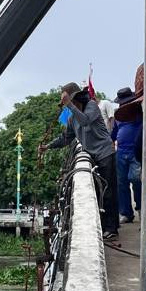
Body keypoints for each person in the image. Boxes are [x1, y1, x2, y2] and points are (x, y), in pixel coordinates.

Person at [45, 81, 119, 243]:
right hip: (93, 157)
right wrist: (47, 146)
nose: (69, 106)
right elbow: (66, 138)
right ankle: (104, 226)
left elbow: (85, 121)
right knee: (99, 193)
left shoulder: (91, 106)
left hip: (105, 154)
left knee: (109, 192)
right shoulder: (72, 119)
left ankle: (112, 228)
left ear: (76, 98)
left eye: (70, 102)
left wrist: (70, 105)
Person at [112, 87, 143, 223]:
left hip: (135, 150)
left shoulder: (138, 111)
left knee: (136, 179)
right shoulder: (118, 115)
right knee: (121, 182)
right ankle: (126, 212)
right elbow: (114, 132)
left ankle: (141, 208)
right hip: (121, 151)